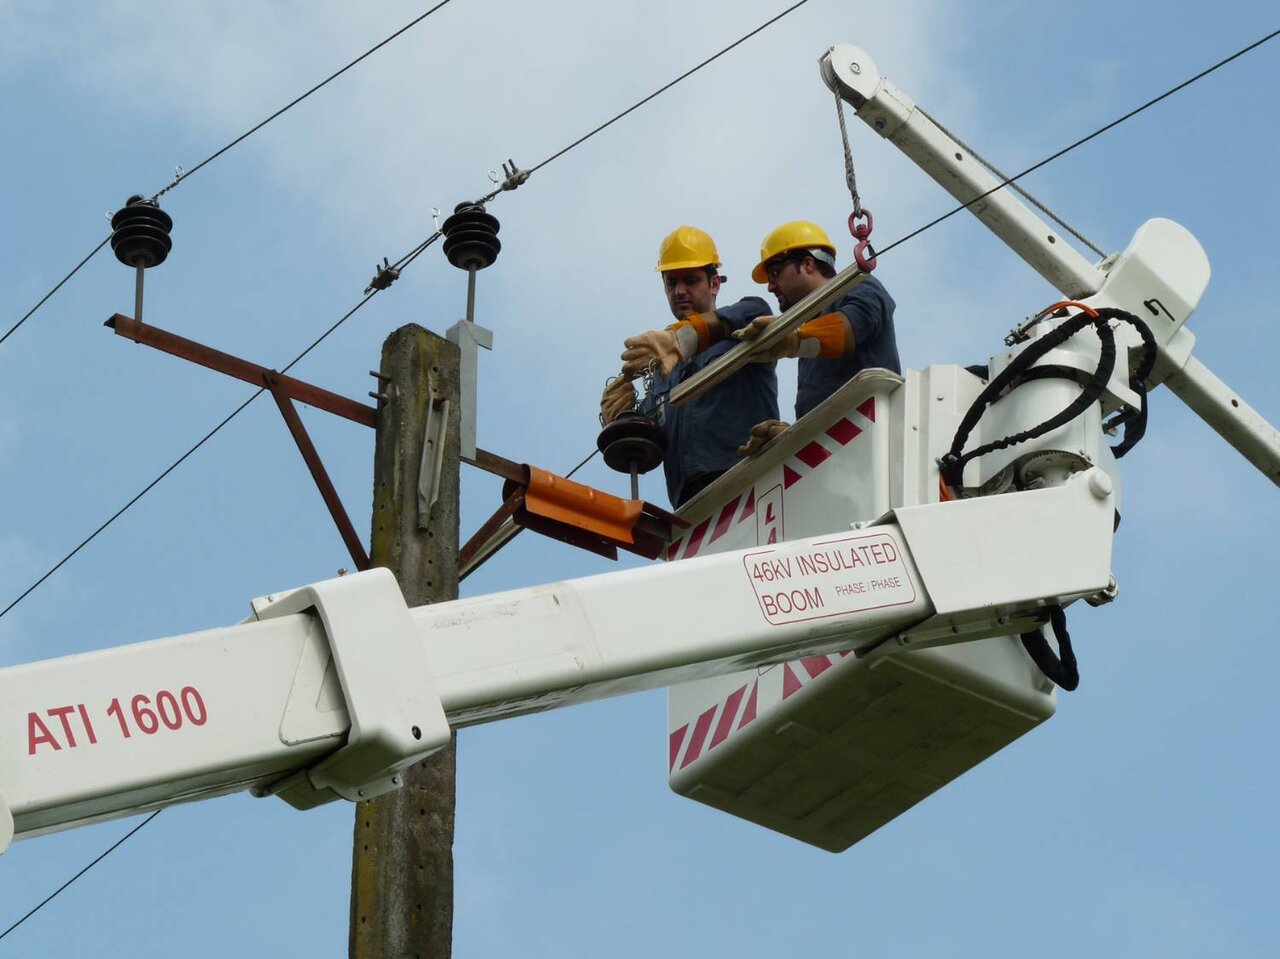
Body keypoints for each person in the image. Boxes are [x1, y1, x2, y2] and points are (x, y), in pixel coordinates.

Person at [600, 226, 777, 507]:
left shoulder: (744, 325)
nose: (679, 291)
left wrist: (679, 338)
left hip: (753, 485)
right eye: (671, 283)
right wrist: (621, 420)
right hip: (690, 505)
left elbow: (756, 312)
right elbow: (649, 445)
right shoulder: (662, 374)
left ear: (714, 284)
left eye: (690, 280)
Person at [733, 220, 899, 454]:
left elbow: (848, 329)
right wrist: (794, 435)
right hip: (839, 455)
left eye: (774, 273)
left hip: (874, 439)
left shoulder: (859, 286)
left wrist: (792, 340)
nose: (770, 287)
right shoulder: (809, 326)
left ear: (808, 264)